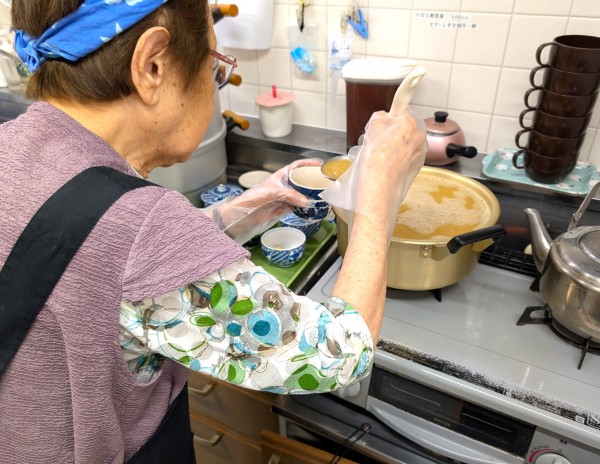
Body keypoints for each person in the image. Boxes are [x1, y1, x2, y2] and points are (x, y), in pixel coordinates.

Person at [0, 1, 426, 463]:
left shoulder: (12, 147)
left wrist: (250, 208)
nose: (214, 84)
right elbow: (339, 353)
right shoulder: (142, 229)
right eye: (213, 65)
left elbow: (98, 253)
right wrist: (378, 194)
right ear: (153, 64)